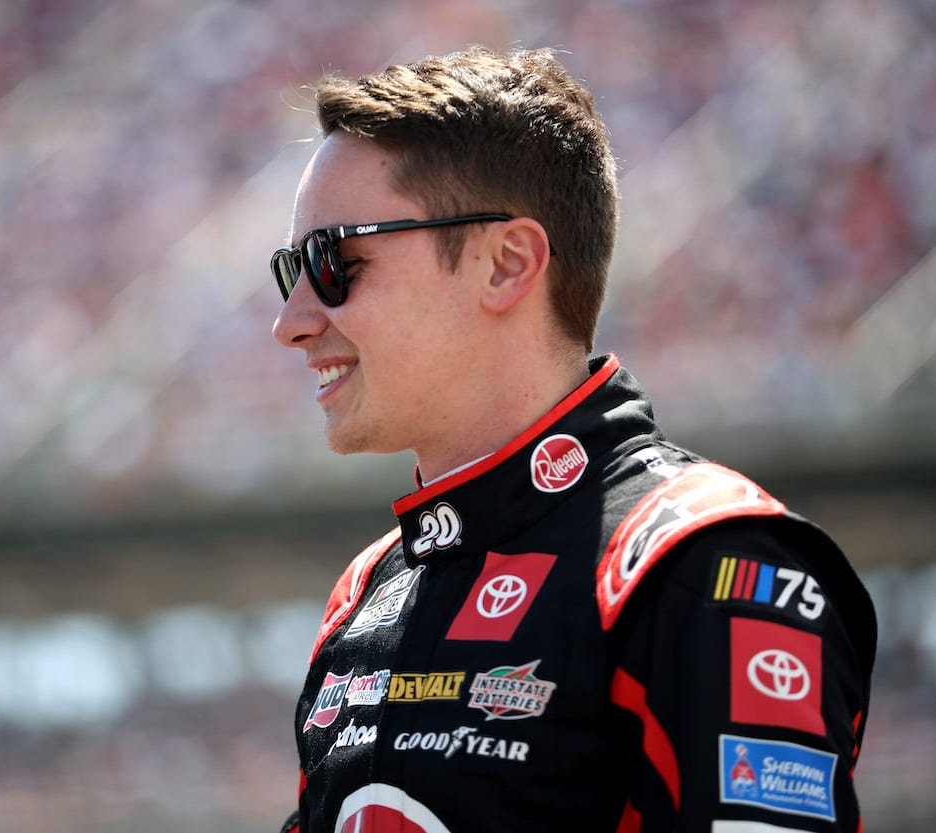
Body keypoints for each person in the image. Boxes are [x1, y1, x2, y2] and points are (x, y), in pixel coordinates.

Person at [267, 46, 876, 833]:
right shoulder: (366, 591)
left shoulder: (703, 561)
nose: (291, 323)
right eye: (292, 270)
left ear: (507, 264)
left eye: (336, 261)